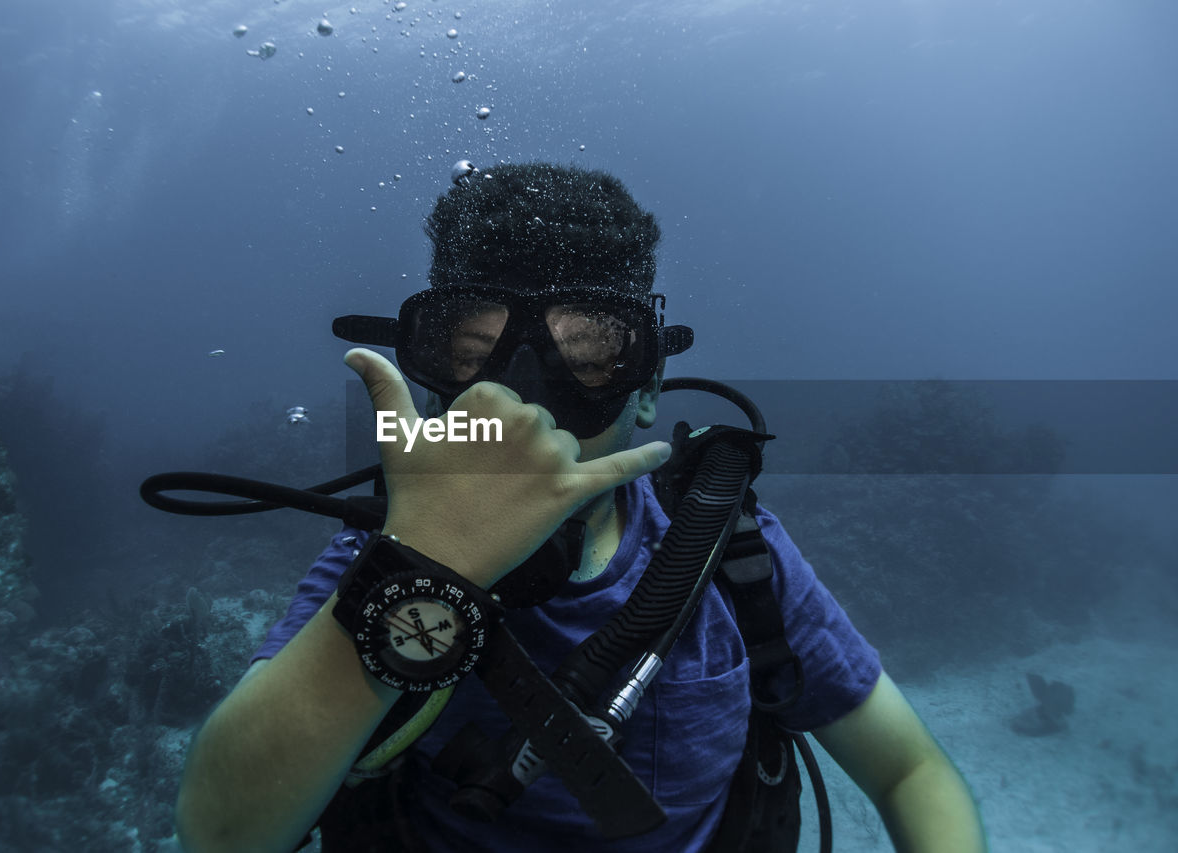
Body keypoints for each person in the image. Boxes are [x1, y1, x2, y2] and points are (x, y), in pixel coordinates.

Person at [173, 162, 987, 852]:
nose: (528, 407)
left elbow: (909, 768)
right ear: (428, 380)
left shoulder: (733, 557)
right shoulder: (372, 568)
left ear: (649, 386)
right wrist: (427, 565)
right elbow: (220, 834)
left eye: (591, 356)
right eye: (470, 353)